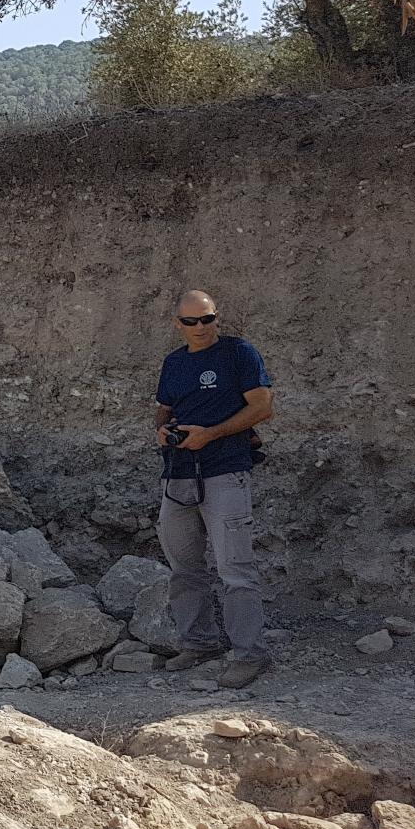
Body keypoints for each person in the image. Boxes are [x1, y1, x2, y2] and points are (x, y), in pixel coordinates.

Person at [153, 290, 276, 688]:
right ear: (178, 324)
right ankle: (200, 642)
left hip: (225, 471)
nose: (201, 328)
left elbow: (262, 406)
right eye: (191, 322)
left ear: (217, 318)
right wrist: (162, 429)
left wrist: (212, 434)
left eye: (207, 319)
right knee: (184, 569)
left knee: (234, 569)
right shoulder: (174, 363)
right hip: (179, 474)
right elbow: (165, 407)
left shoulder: (238, 353)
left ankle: (249, 655)